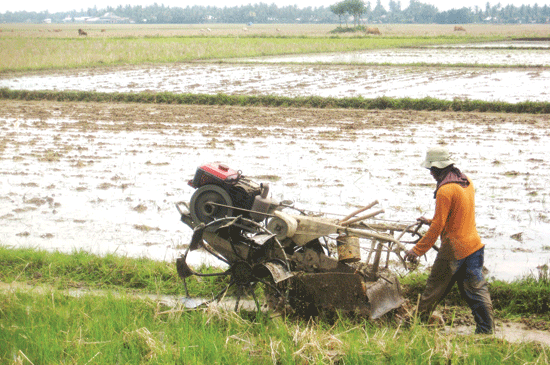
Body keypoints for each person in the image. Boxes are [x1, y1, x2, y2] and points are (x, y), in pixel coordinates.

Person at [404, 146, 494, 334]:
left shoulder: (445, 190)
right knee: (476, 290)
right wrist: (430, 221)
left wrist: (417, 250)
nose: (431, 174)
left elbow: (438, 227)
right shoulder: (466, 182)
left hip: (454, 249)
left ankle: (413, 325)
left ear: (436, 169)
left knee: (434, 289)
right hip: (474, 245)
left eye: (431, 170)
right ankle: (486, 331)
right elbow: (456, 217)